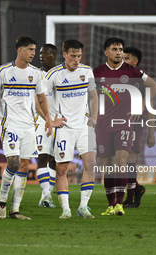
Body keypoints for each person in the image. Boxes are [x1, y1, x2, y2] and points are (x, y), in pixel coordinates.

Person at [0, 36, 52, 220]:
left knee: (25, 165)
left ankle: (15, 210)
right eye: (30, 50)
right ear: (20, 50)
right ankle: (1, 201)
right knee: (13, 162)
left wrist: (48, 119)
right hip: (10, 124)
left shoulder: (36, 73)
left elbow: (41, 99)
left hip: (29, 126)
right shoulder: (4, 71)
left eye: (34, 50)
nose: (33, 54)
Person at [93, 38, 156, 216]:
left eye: (120, 49)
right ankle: (110, 205)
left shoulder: (132, 71)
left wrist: (142, 104)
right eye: (114, 49)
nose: (119, 52)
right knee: (107, 165)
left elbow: (154, 86)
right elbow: (90, 96)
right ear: (106, 52)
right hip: (103, 125)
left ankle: (121, 205)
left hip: (124, 124)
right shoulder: (96, 72)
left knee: (122, 162)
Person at [45, 39, 98, 219]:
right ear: (65, 55)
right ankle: (66, 209)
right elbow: (41, 98)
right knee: (62, 169)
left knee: (91, 164)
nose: (77, 59)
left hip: (84, 126)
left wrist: (94, 117)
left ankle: (83, 206)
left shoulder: (87, 71)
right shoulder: (54, 74)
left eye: (79, 56)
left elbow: (93, 96)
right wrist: (52, 120)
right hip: (64, 127)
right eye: (73, 56)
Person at [122, 47, 156, 208]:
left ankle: (129, 199)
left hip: (134, 125)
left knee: (130, 159)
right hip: (116, 124)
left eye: (127, 58)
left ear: (135, 62)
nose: (123, 60)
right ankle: (138, 189)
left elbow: (150, 107)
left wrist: (151, 132)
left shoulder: (141, 80)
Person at [34, 44, 63, 208]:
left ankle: (46, 196)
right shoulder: (35, 75)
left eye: (45, 53)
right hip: (41, 121)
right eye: (40, 53)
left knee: (54, 160)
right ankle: (46, 197)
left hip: (60, 122)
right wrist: (48, 119)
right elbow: (36, 101)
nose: (41, 55)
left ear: (54, 55)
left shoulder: (61, 74)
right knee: (42, 156)